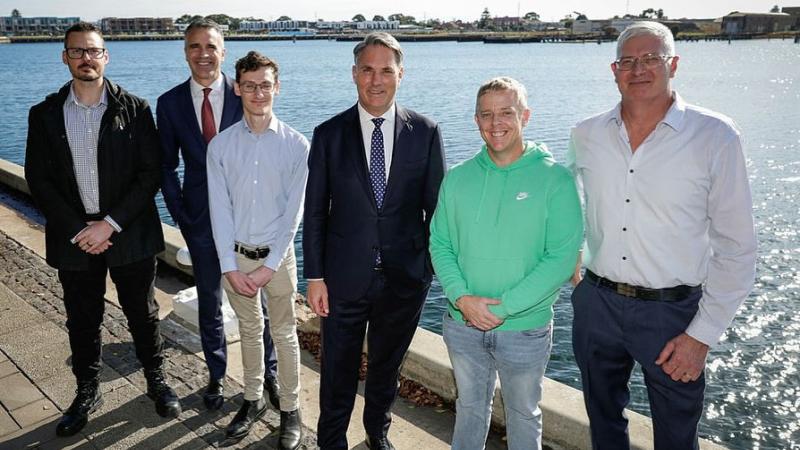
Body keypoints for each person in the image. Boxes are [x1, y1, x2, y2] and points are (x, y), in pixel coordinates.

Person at [568, 21, 757, 449]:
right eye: (628, 61)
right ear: (613, 71)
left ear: (673, 64)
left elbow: (738, 248)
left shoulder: (715, 136)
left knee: (676, 435)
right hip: (596, 304)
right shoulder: (586, 134)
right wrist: (573, 264)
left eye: (651, 58)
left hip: (672, 316)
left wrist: (701, 335)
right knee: (604, 424)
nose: (639, 69)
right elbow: (557, 204)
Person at [24, 22, 181, 437]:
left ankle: (156, 380)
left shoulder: (136, 109)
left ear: (105, 56)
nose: (86, 58)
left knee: (143, 314)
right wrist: (81, 229)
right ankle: (86, 391)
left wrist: (108, 224)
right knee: (82, 318)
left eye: (93, 51)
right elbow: (39, 180)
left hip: (128, 231)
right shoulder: (43, 115)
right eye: (77, 52)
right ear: (65, 57)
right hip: (74, 236)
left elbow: (150, 175)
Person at [303, 32, 446, 450]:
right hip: (343, 278)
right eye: (368, 69)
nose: (376, 79)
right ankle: (331, 440)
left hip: (405, 280)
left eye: (387, 70)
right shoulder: (329, 134)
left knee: (387, 367)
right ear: (354, 74)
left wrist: (430, 270)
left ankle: (377, 432)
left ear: (401, 75)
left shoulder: (426, 131)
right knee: (337, 370)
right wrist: (314, 277)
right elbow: (315, 212)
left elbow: (437, 211)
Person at [429, 77, 583, 449]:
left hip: (525, 329)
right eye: (486, 114)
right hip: (463, 324)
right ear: (476, 120)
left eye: (506, 113)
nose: (495, 123)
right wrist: (462, 299)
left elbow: (561, 258)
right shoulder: (458, 179)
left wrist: (506, 308)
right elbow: (440, 243)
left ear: (525, 116)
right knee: (469, 408)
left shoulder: (555, 180)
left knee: (524, 414)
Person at [157, 19, 279, 411]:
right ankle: (216, 376)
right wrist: (181, 216)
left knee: (258, 302)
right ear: (185, 52)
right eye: (195, 46)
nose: (203, 54)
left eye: (211, 46)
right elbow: (165, 167)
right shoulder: (170, 103)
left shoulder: (247, 92)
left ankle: (270, 374)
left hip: (250, 219)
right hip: (200, 221)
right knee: (210, 302)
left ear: (223, 52)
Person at [206, 50, 306, 448]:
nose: (258, 93)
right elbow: (219, 209)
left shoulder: (298, 145)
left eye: (265, 85)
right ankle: (252, 400)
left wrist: (269, 266)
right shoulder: (221, 146)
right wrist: (230, 267)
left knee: (284, 334)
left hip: (278, 260)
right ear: (237, 88)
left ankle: (291, 408)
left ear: (276, 87)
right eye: (250, 85)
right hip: (236, 258)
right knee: (249, 331)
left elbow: (293, 216)